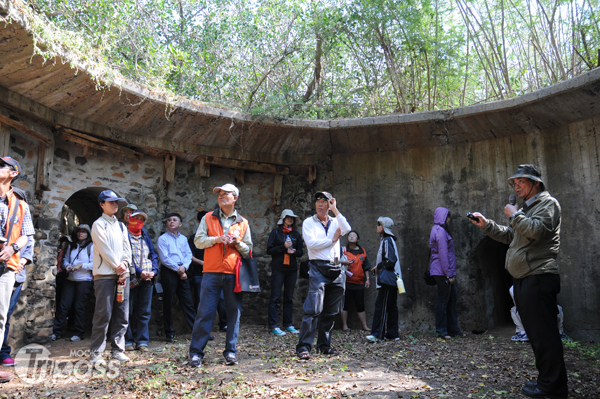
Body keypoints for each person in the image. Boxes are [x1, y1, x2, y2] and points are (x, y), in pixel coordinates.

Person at [470, 164, 568, 398]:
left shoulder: (548, 204)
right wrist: (487, 225)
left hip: (539, 276)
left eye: (521, 181)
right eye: (514, 182)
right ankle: (547, 381)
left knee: (545, 335)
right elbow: (511, 236)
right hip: (525, 277)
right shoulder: (527, 208)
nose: (516, 185)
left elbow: (537, 231)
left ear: (536, 183)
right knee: (536, 335)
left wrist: (515, 214)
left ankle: (553, 388)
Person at [189, 183, 253, 367]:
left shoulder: (243, 222)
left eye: (226, 194)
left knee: (234, 314)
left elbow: (249, 251)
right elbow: (198, 242)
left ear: (235, 198)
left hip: (234, 274)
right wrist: (216, 239)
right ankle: (196, 353)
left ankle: (231, 352)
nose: (221, 196)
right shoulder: (208, 218)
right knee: (204, 313)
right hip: (211, 273)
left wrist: (237, 243)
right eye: (219, 194)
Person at [296, 191, 351, 360]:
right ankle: (304, 347)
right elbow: (312, 244)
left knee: (330, 311)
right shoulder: (308, 222)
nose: (320, 204)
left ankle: (324, 346)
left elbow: (347, 229)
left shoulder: (336, 221)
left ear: (330, 203)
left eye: (324, 201)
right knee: (313, 309)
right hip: (318, 268)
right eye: (318, 201)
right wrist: (332, 241)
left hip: (337, 268)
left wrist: (335, 210)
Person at [0, 157, 35, 384]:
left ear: (12, 174)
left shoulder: (20, 204)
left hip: (5, 266)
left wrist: (13, 249)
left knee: (1, 317)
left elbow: (27, 235)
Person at [89, 190, 132, 366]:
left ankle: (117, 350)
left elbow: (126, 247)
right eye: (111, 202)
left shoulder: (121, 226)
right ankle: (96, 353)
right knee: (103, 314)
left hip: (123, 275)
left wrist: (125, 265)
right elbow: (104, 248)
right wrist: (117, 266)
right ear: (102, 204)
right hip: (105, 275)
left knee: (122, 314)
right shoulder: (98, 225)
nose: (115, 205)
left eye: (117, 202)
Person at [157, 212, 196, 342]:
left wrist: (184, 268)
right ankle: (169, 333)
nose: (171, 222)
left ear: (180, 224)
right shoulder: (163, 239)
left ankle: (196, 331)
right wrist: (178, 269)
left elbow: (188, 255)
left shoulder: (183, 239)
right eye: (169, 220)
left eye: (174, 220)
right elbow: (164, 258)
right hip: (169, 272)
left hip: (182, 271)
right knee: (168, 302)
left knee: (188, 302)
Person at [52, 224, 94, 342]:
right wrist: (68, 266)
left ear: (88, 234)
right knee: (63, 306)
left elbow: (94, 264)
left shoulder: (91, 247)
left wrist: (81, 265)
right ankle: (56, 332)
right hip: (70, 280)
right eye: (79, 232)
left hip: (84, 280)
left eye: (84, 232)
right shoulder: (71, 246)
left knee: (80, 307)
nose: (81, 234)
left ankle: (79, 332)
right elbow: (65, 259)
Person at [188, 211, 226, 338]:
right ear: (200, 222)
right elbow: (189, 256)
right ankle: (201, 330)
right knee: (201, 301)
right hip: (199, 273)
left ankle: (224, 324)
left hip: (215, 272)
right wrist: (204, 263)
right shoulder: (194, 238)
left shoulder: (219, 237)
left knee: (221, 299)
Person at [125, 210, 159, 352]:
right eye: (135, 218)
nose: (138, 221)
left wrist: (154, 271)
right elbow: (125, 256)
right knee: (127, 311)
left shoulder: (144, 235)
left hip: (147, 280)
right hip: (131, 279)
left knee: (144, 311)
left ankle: (142, 341)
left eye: (141, 219)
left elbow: (153, 254)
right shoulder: (124, 235)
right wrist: (140, 272)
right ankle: (127, 341)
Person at [429, 207, 465, 339]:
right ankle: (441, 330)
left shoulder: (438, 230)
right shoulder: (440, 232)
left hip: (441, 270)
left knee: (450, 299)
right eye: (448, 217)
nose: (449, 220)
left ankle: (452, 329)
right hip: (442, 272)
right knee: (444, 301)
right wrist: (449, 274)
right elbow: (443, 254)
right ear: (444, 218)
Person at [267, 209, 304, 336]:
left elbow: (301, 251)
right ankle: (273, 325)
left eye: (292, 218)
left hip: (291, 269)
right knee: (275, 297)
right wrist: (282, 247)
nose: (290, 220)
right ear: (283, 219)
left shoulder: (296, 235)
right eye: (288, 217)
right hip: (278, 268)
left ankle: (288, 324)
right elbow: (269, 250)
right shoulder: (275, 233)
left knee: (289, 297)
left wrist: (294, 252)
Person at [366, 217, 402, 343]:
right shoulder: (388, 240)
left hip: (388, 280)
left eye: (379, 225)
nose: (377, 227)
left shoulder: (387, 240)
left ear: (383, 227)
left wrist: (379, 266)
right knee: (391, 306)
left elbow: (390, 260)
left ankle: (377, 333)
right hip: (393, 279)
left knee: (381, 306)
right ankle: (393, 333)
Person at [340, 231, 371, 332]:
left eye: (354, 236)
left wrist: (368, 279)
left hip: (359, 283)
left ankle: (364, 326)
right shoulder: (343, 250)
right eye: (350, 235)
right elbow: (335, 261)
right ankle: (344, 326)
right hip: (346, 282)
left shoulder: (363, 251)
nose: (351, 237)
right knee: (345, 304)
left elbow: (366, 267)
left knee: (360, 305)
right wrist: (345, 262)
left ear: (358, 239)